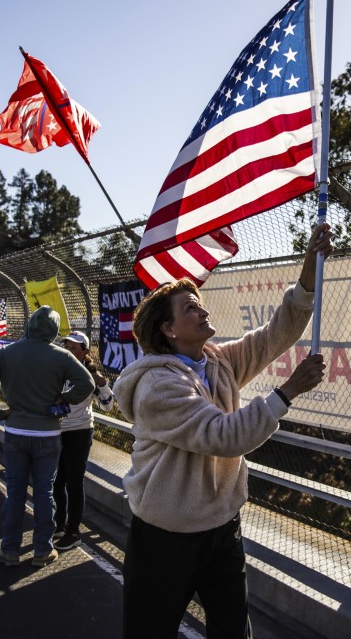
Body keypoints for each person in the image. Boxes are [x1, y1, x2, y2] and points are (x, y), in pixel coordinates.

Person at [113, 223, 334, 638]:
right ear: (168, 329)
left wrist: (309, 271)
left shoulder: (218, 361)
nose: (203, 311)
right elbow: (224, 436)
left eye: (200, 304)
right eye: (190, 309)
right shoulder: (158, 387)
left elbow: (275, 335)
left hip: (222, 528)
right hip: (166, 537)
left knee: (233, 632)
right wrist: (287, 391)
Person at [0, 305, 94, 568]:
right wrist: (65, 398)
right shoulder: (62, 356)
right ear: (53, 330)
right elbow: (88, 384)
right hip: (48, 433)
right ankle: (42, 550)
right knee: (44, 492)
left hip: (15, 431)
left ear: (29, 325)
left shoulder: (6, 353)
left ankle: (10, 551)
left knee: (15, 492)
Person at [54, 329, 114, 552]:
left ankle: (73, 532)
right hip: (57, 431)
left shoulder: (89, 375)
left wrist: (102, 383)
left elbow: (107, 405)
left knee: (74, 482)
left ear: (85, 351)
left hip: (79, 432)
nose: (68, 350)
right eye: (66, 346)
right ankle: (59, 525)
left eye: (74, 347)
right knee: (56, 481)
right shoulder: (58, 370)